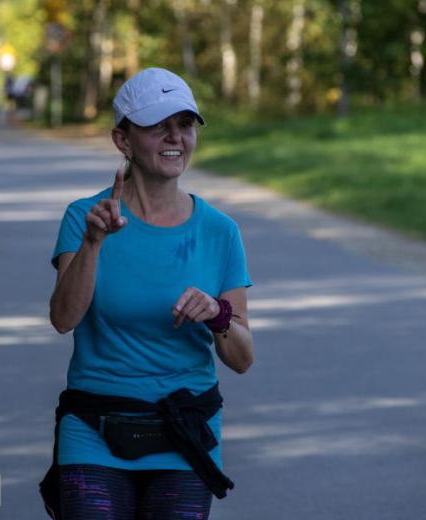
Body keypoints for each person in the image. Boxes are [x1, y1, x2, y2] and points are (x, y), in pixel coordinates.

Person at [46, 68, 254, 519]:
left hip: (185, 433)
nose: (174, 136)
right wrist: (93, 244)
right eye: (157, 125)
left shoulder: (221, 232)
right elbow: (63, 318)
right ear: (123, 140)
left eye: (183, 123)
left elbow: (241, 358)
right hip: (94, 429)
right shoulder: (86, 217)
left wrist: (218, 315)